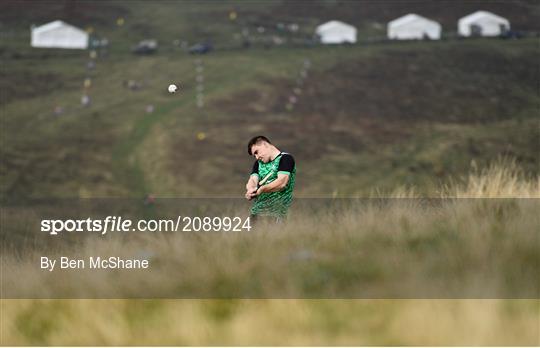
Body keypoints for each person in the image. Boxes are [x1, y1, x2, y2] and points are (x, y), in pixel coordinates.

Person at [245, 136, 296, 222]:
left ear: (265, 145)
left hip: (278, 213)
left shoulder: (285, 159)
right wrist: (250, 189)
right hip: (256, 213)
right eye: (254, 156)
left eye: (257, 152)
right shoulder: (258, 163)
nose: (257, 157)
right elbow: (253, 179)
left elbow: (282, 183)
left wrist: (262, 189)